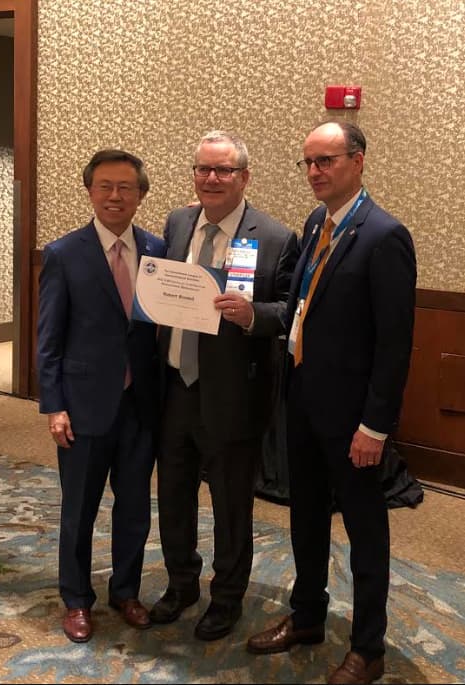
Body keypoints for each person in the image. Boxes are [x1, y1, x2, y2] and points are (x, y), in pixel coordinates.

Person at [247, 121, 416, 685]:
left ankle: (368, 649)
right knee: (306, 519)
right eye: (309, 163)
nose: (316, 172)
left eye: (327, 160)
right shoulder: (317, 223)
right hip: (303, 403)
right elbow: (303, 310)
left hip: (353, 421)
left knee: (366, 531)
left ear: (359, 160)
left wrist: (376, 425)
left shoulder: (384, 235)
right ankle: (307, 617)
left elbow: (395, 345)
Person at [150, 130, 300, 641]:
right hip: (174, 388)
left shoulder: (275, 237)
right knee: (172, 497)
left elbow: (291, 311)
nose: (211, 179)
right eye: (203, 169)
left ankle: (227, 597)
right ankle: (181, 584)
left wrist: (252, 314)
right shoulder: (176, 222)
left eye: (223, 171)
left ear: (244, 177)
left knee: (231, 506)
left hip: (233, 395)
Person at [37, 149, 165, 643]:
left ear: (140, 195)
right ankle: (76, 599)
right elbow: (49, 338)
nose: (115, 196)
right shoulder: (64, 253)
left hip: (141, 404)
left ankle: (126, 590)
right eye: (105, 186)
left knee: (134, 505)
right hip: (83, 404)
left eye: (126, 188)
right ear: (90, 191)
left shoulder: (158, 250)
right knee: (80, 508)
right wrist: (54, 405)